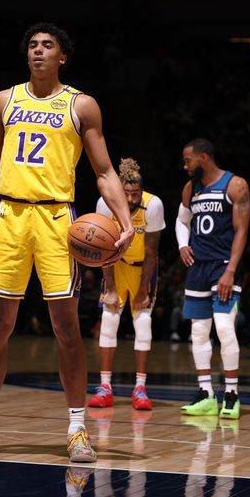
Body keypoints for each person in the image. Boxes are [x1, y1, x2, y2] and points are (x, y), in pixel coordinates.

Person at [0, 22, 134, 463]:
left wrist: (125, 221)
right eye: (33, 46)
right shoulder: (4, 101)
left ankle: (77, 430)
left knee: (67, 330)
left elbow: (105, 171)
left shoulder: (81, 106)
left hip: (58, 219)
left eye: (47, 46)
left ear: (62, 57)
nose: (38, 51)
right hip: (11, 216)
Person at [176, 138, 250, 420]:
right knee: (198, 331)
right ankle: (206, 394)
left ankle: (231, 393)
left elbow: (241, 231)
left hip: (224, 266)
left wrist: (231, 270)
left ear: (204, 158)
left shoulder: (235, 185)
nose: (185, 166)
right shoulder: (190, 189)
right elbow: (181, 221)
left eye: (188, 160)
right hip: (198, 268)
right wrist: (183, 245)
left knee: (224, 328)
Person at [87, 158, 164, 411]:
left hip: (142, 269)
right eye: (126, 194)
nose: (131, 200)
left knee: (143, 324)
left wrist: (143, 290)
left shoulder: (153, 205)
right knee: (109, 322)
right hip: (115, 265)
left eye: (135, 194)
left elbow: (152, 252)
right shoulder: (105, 203)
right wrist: (109, 288)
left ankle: (140, 389)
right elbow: (103, 248)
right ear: (119, 190)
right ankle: (105, 386)